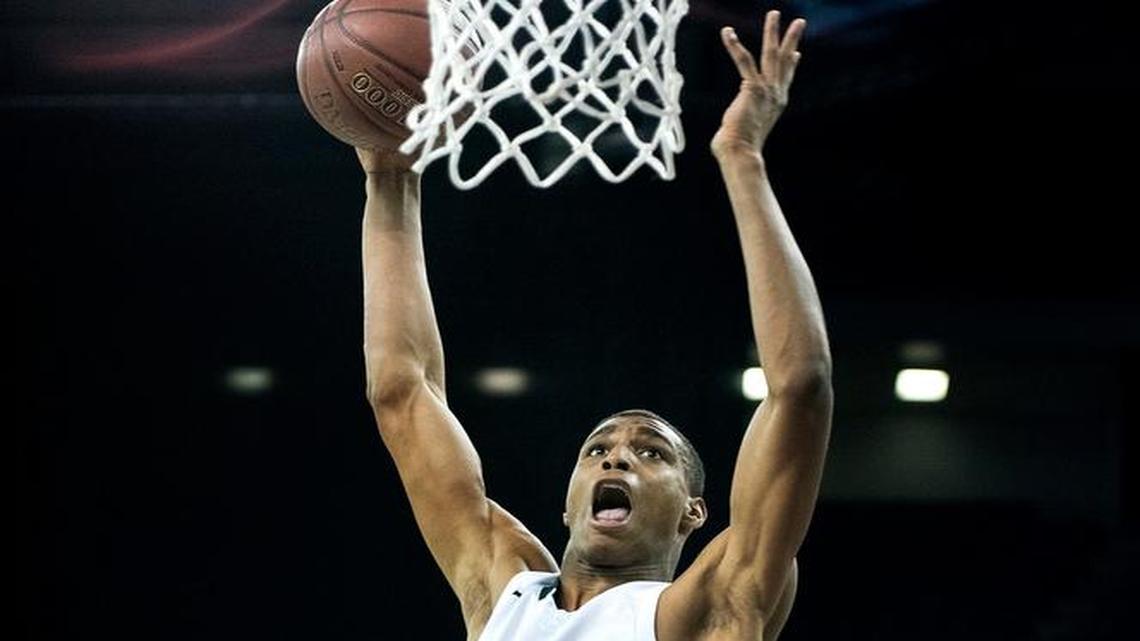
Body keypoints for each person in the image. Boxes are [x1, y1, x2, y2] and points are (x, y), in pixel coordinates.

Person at [356, 9, 832, 641]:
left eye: (650, 453)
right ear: (569, 501)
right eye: (598, 451)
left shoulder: (708, 607)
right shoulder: (509, 590)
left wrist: (743, 158)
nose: (617, 459)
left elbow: (799, 387)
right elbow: (402, 392)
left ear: (693, 513)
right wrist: (391, 180)